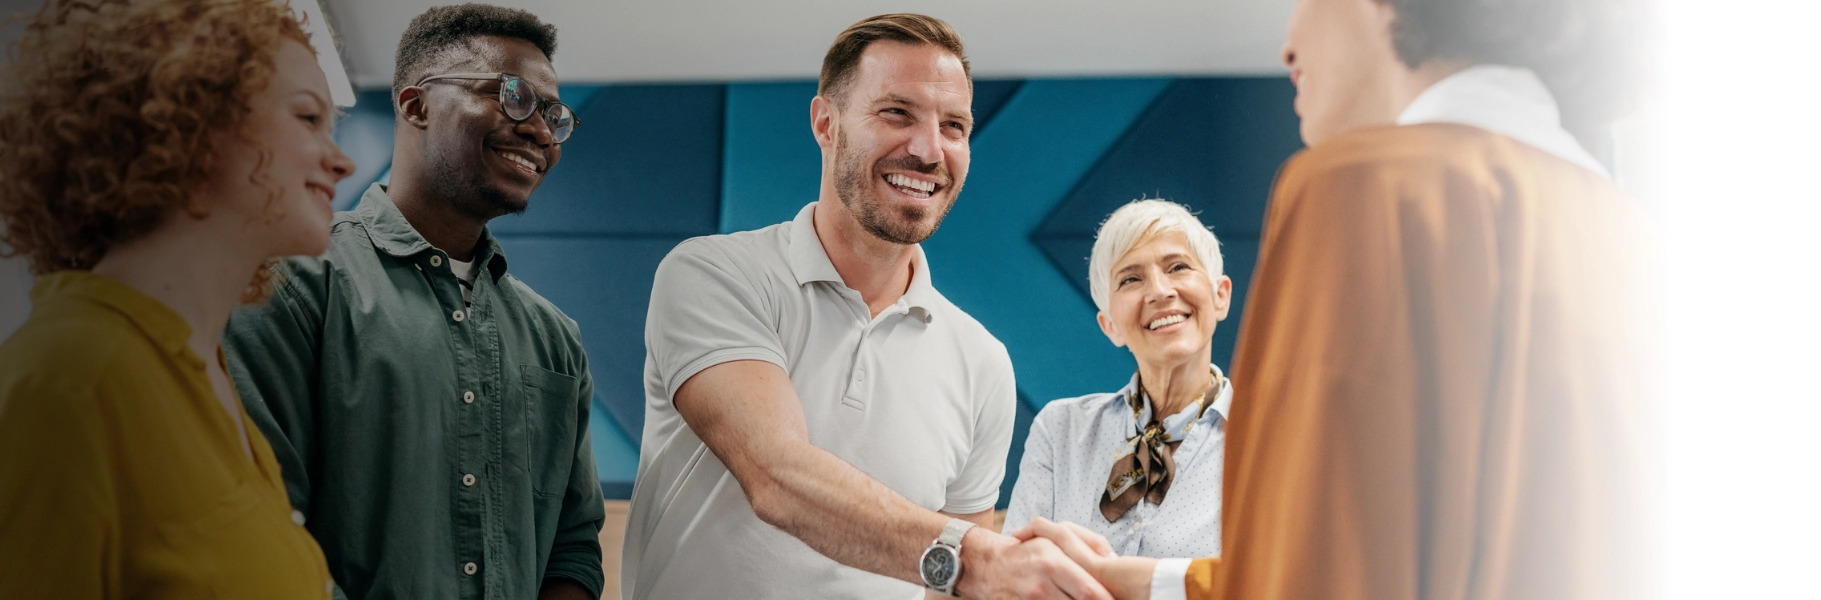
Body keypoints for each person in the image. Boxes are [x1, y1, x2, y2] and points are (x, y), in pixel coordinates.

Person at [1014, 0, 1654, 598]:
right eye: (1129, 279)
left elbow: (1310, 571)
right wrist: (1128, 579)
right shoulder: (1619, 223)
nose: (1288, 44)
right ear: (1107, 318)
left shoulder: (1362, 188)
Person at [621, 13, 1110, 600]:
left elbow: (952, 589)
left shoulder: (983, 362)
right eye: (897, 113)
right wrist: (980, 558)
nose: (930, 150)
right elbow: (778, 475)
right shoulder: (714, 274)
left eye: (954, 125)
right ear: (826, 123)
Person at [221, 4, 603, 599]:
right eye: (513, 95)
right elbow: (258, 528)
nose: (539, 130)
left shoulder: (555, 338)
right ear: (415, 104)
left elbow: (573, 547)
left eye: (556, 115)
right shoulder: (291, 283)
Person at [0, 0, 355, 596]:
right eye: (307, 117)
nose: (341, 160)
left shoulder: (200, 373)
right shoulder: (71, 377)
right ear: (189, 117)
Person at [1002, 199, 1234, 561]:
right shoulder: (1060, 430)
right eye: (1130, 279)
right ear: (1109, 326)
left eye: (1177, 267)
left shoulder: (1274, 441)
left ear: (1220, 296)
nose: (1159, 291)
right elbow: (1013, 575)